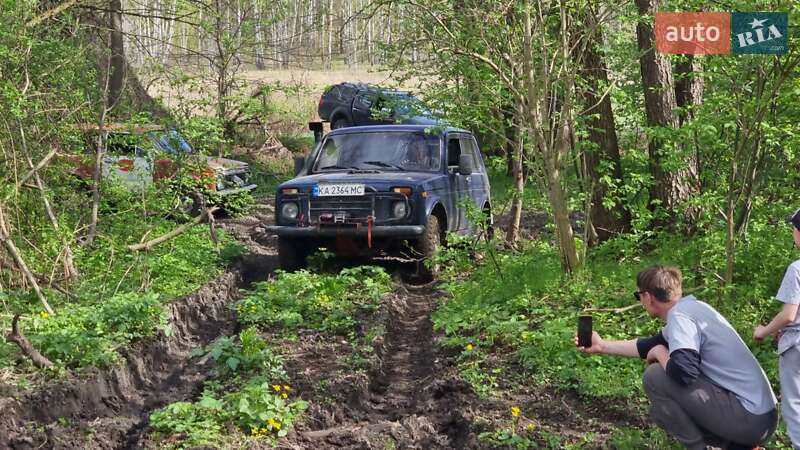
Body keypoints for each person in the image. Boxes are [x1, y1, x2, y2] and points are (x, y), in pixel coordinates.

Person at [578, 265, 777, 450]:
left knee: (655, 377)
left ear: (647, 297)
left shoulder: (680, 318)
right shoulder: (693, 309)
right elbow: (646, 345)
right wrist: (602, 345)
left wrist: (659, 353)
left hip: (751, 419)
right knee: (659, 413)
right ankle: (736, 447)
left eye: (638, 296)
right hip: (760, 417)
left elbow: (684, 373)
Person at [753, 208, 800, 449]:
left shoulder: (797, 269)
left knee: (795, 405)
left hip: (797, 346)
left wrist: (764, 330)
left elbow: (789, 315)